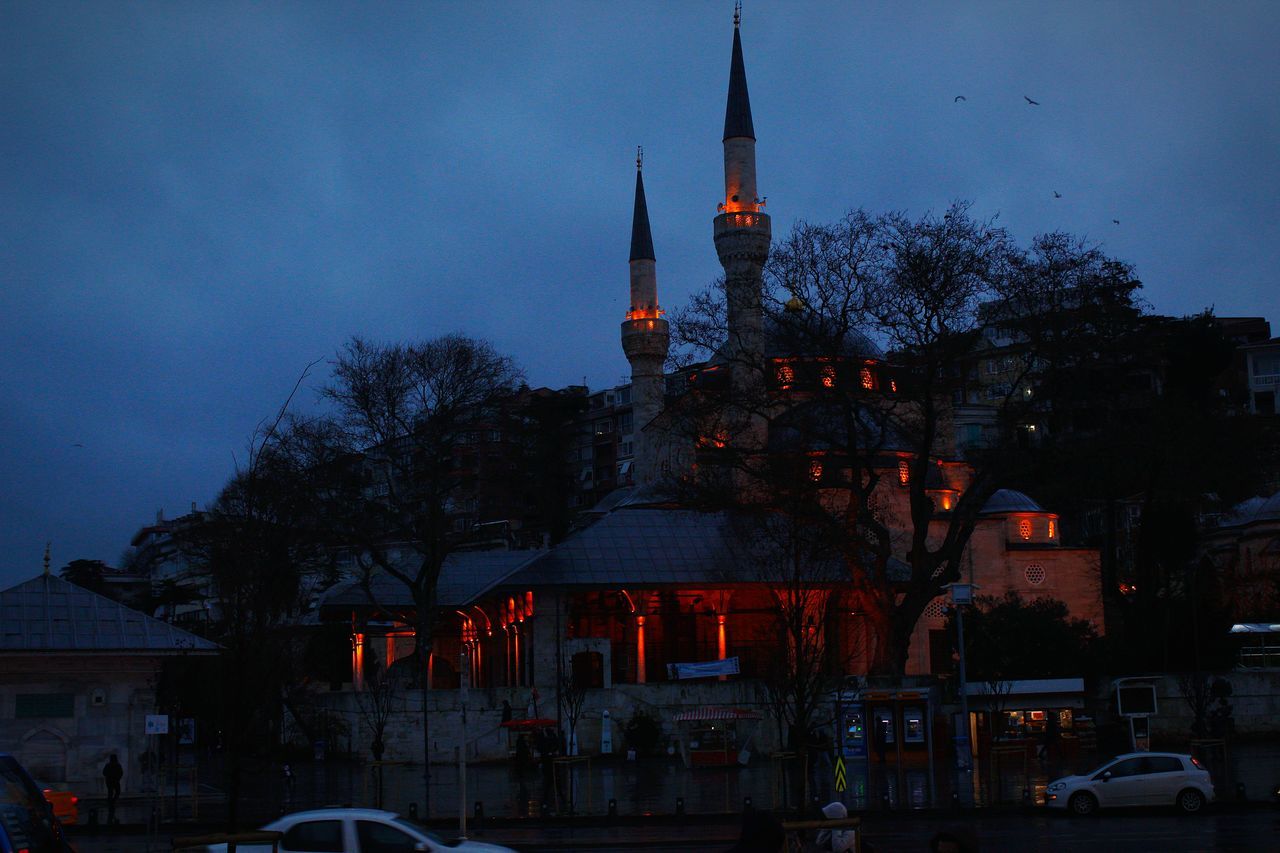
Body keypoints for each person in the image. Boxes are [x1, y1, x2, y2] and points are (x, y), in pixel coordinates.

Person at [102, 755, 123, 825]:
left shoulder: (109, 765)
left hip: (110, 780)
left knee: (111, 792)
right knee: (116, 792)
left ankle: (111, 803)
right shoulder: (117, 765)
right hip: (115, 780)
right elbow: (121, 773)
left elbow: (104, 773)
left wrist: (109, 776)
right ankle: (112, 802)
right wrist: (117, 777)